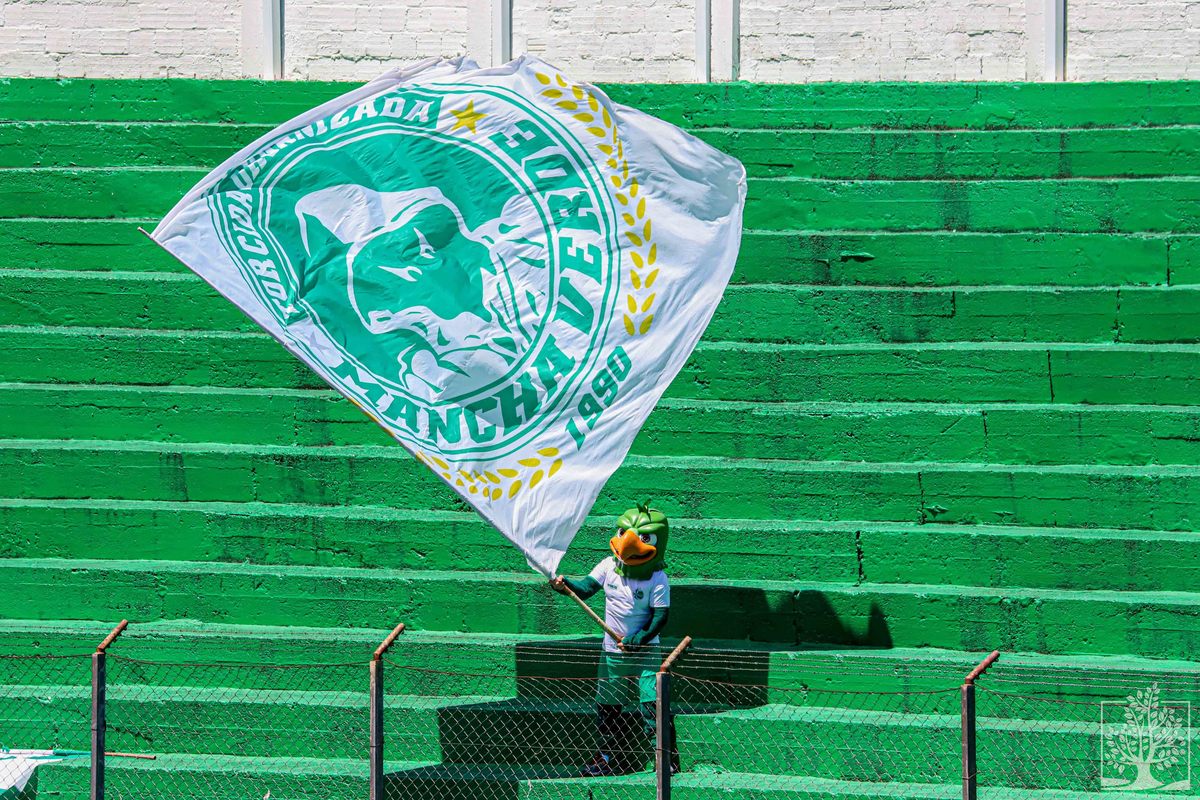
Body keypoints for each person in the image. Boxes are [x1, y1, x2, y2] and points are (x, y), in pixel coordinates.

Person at [550, 502, 679, 776]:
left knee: (652, 704)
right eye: (623, 533)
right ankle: (609, 757)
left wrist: (638, 638)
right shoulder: (608, 565)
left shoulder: (658, 579)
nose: (628, 543)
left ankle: (664, 757)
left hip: (645, 652)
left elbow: (660, 617)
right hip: (612, 652)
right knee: (608, 707)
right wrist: (565, 585)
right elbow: (585, 588)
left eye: (645, 538)